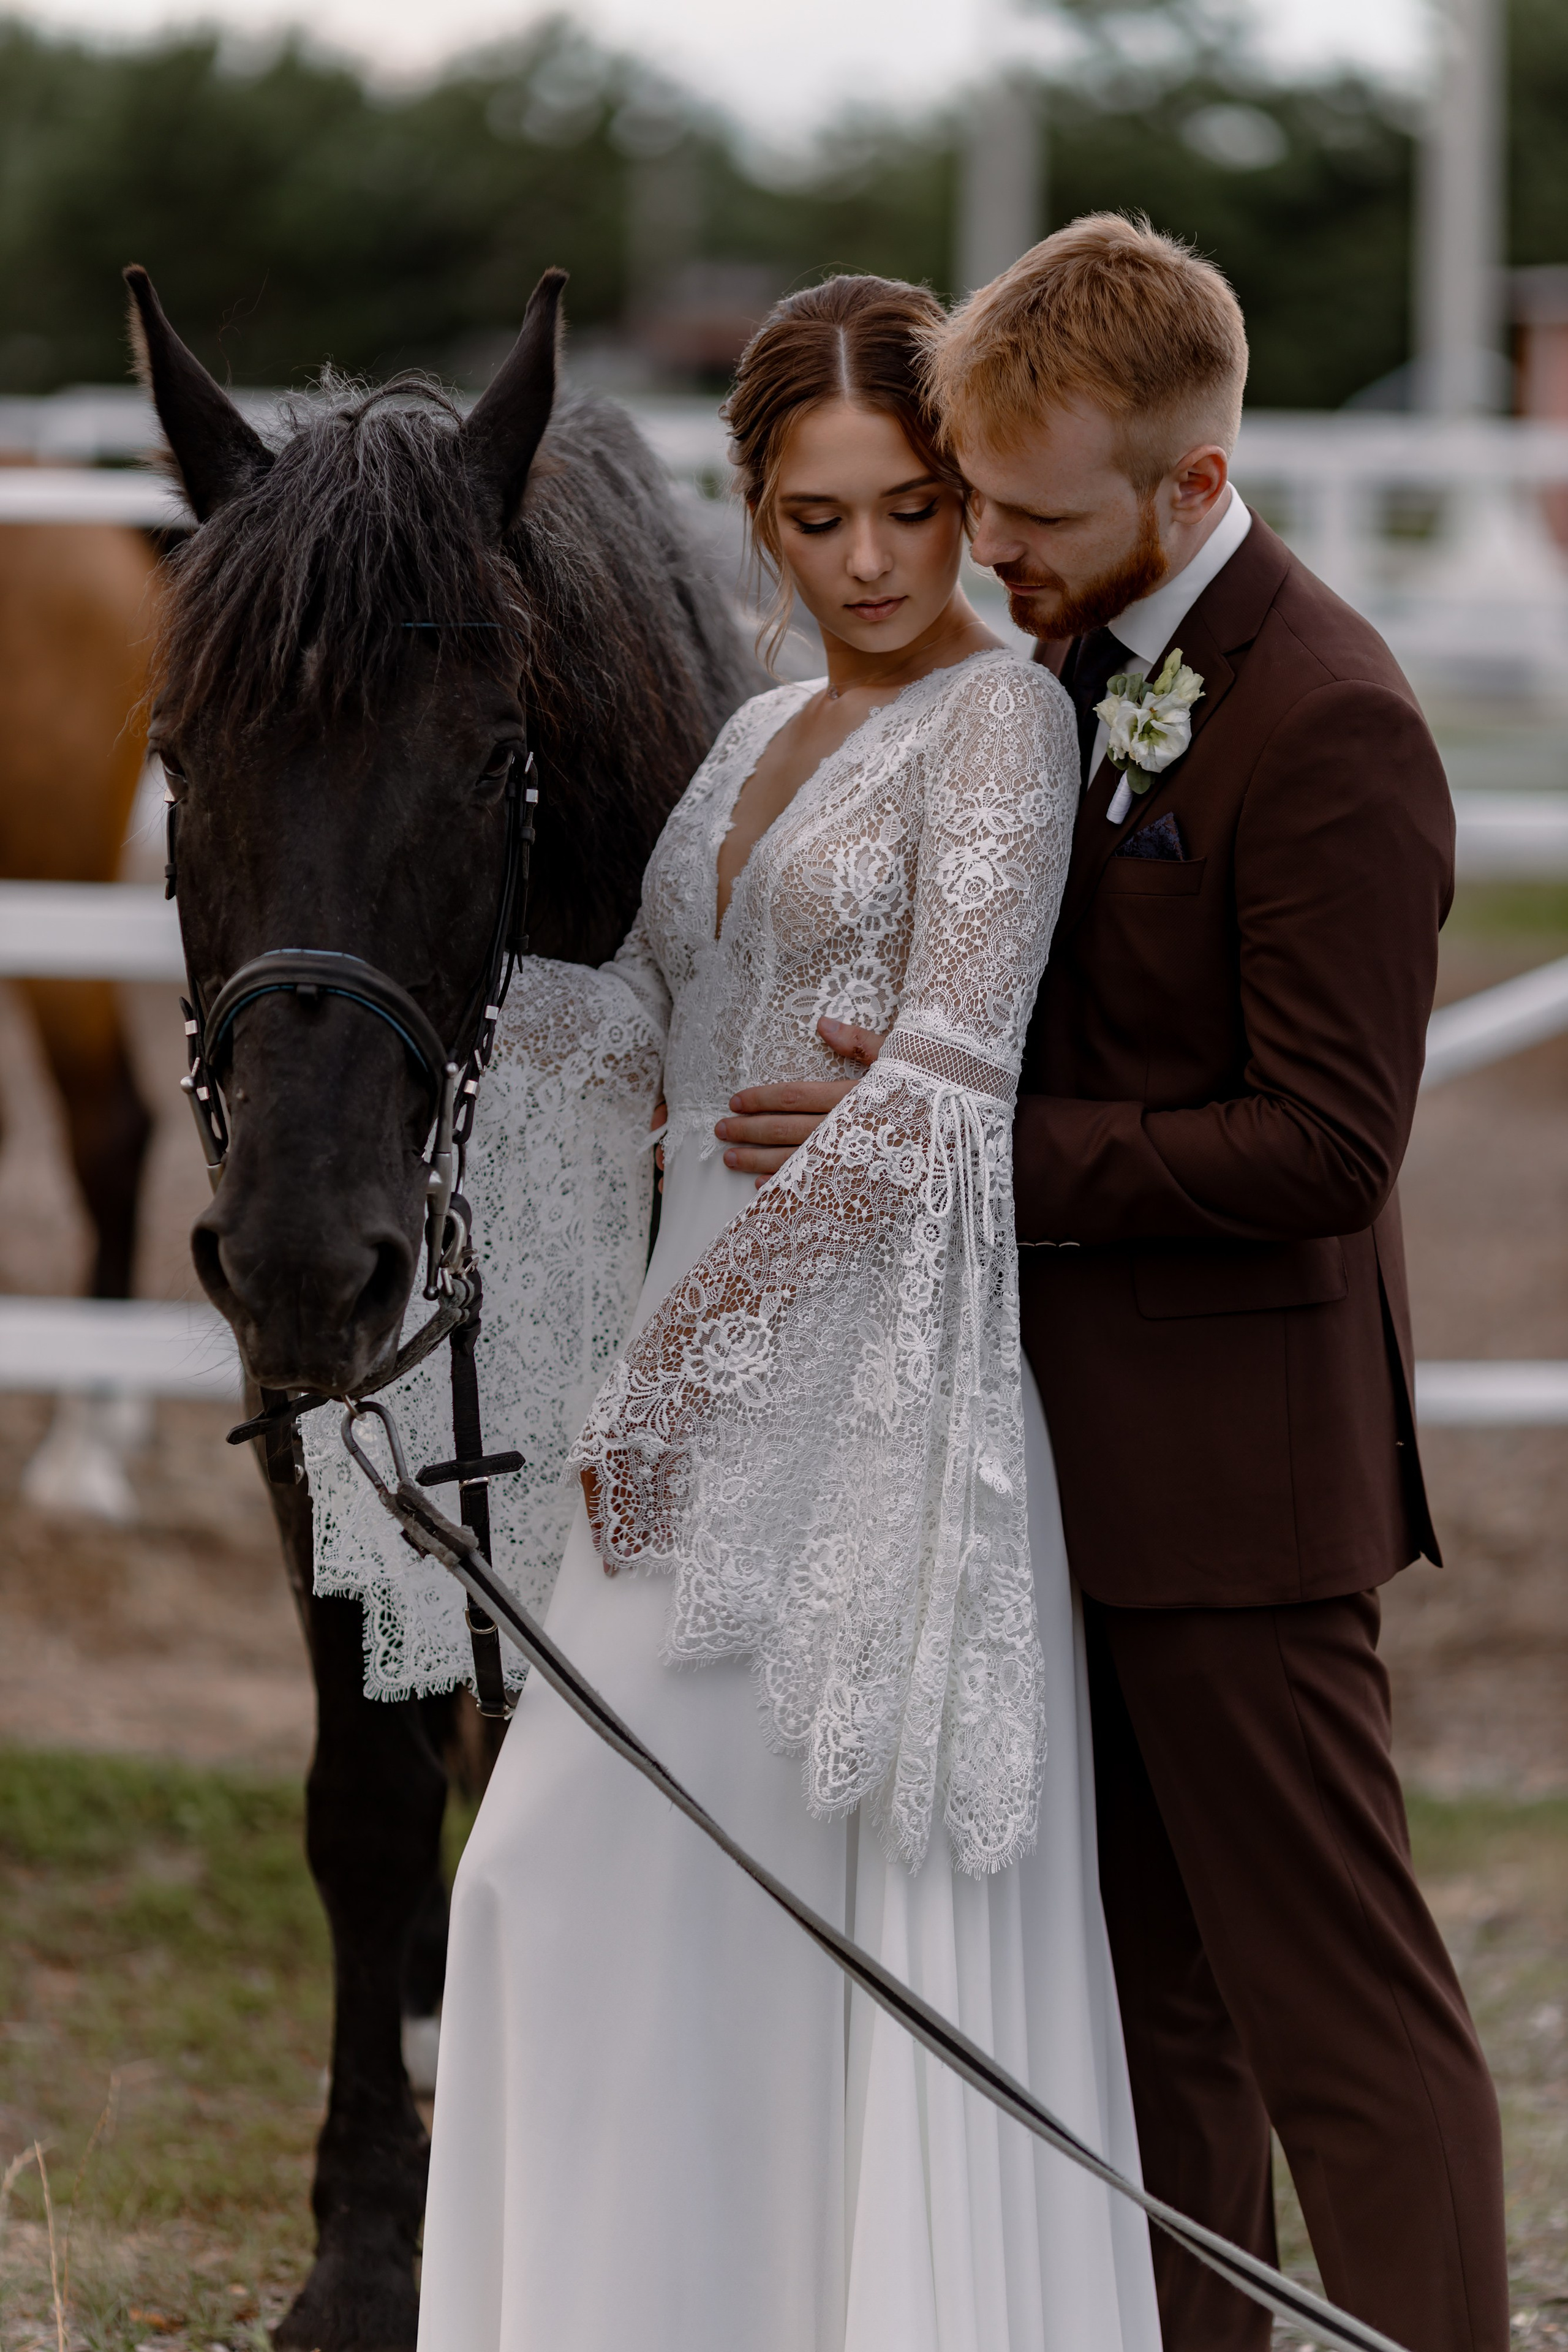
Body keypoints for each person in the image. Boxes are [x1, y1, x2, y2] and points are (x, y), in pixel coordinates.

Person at [723, 217, 1509, 2352]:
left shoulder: (1330, 715)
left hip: (1240, 1489)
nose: (988, 548)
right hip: (1043, 1465)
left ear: (1190, 482)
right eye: (974, 498)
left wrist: (968, 1139)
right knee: (1151, 2012)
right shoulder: (1064, 662)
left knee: (1334, 2008)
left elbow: (1331, 1149)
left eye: (1029, 514)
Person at [402, 274, 1163, 2350]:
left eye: (914, 510)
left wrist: (682, 1380)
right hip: (684, 1364)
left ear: (963, 500)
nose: (876, 564)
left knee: (587, 1879)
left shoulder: (997, 717)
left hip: (842, 1403)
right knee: (603, 1903)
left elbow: (942, 1086)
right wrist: (393, 1025)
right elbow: (648, 1016)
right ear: (755, 513)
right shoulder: (755, 731)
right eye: (821, 519)